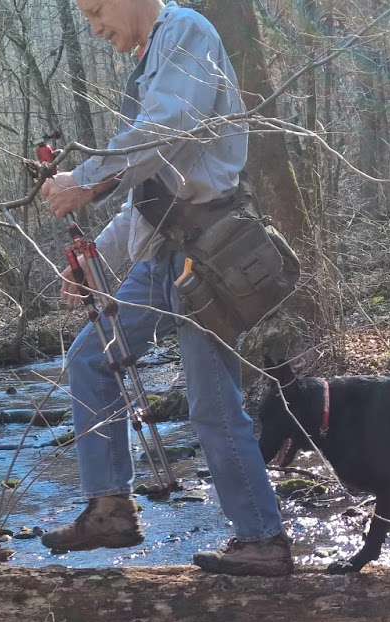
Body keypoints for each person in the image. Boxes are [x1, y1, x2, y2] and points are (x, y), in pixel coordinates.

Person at [39, 0, 292, 576]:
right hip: (165, 249)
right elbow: (148, 194)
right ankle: (109, 512)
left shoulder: (185, 33)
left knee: (211, 402)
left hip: (208, 255)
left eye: (98, 10)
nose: (95, 27)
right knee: (91, 360)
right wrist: (95, 259)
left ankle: (263, 540)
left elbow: (166, 128)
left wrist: (83, 179)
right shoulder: (151, 56)